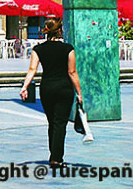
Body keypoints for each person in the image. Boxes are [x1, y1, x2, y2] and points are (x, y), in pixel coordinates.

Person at [20, 17, 83, 168]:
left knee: (52, 123)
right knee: (60, 123)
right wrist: (79, 93)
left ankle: (53, 155)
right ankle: (57, 158)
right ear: (59, 30)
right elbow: (72, 72)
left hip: (47, 88)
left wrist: (24, 87)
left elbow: (32, 70)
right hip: (64, 89)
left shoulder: (38, 49)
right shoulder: (68, 48)